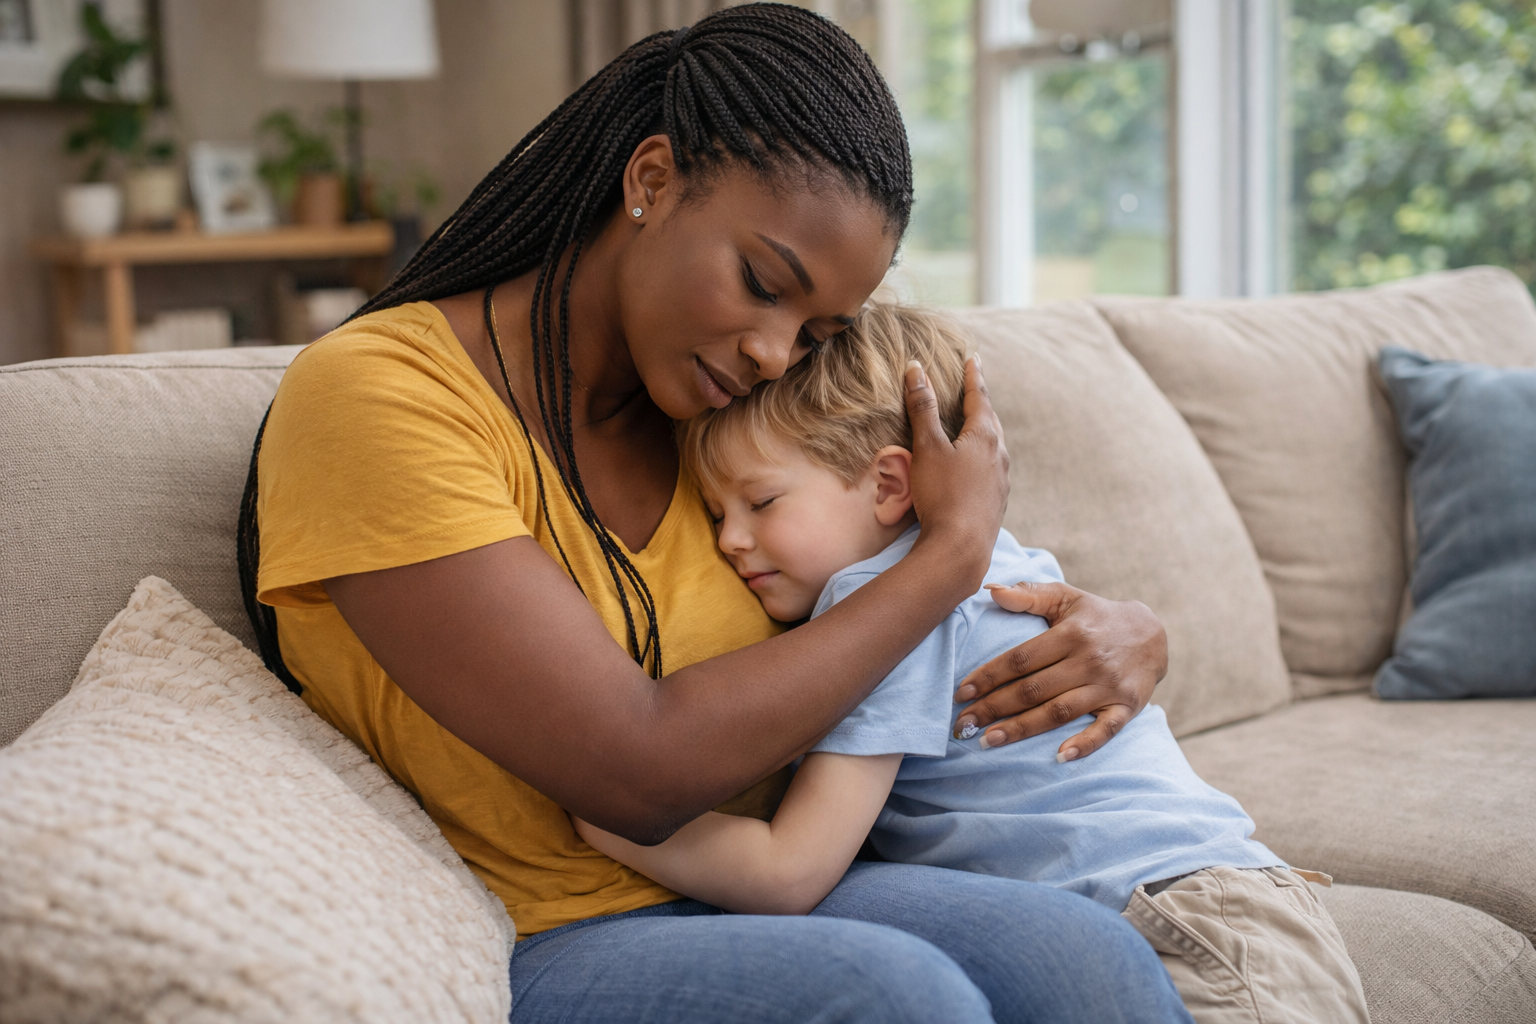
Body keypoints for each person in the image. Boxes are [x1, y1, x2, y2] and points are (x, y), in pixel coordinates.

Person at [238, 6, 1188, 1022]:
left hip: (777, 878)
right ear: (651, 180)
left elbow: (902, 568)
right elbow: (636, 769)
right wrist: (947, 559)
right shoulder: (380, 396)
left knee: (1086, 963)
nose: (778, 353)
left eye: (817, 328)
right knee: (899, 1000)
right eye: (762, 283)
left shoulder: (723, 421)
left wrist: (1119, 627)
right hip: (546, 928)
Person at [577, 301, 1371, 1024]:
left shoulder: (887, 604)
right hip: (1214, 900)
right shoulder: (988, 558)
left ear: (890, 482)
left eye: (762, 502)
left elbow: (791, 872)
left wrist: (620, 821)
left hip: (1186, 923)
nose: (729, 541)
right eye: (717, 514)